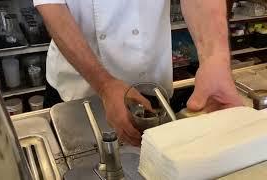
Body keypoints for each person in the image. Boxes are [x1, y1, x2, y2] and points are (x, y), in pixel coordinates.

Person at [34, 0, 243, 146]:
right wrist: (105, 85)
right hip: (77, 88)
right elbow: (52, 7)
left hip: (152, 86)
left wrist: (215, 59)